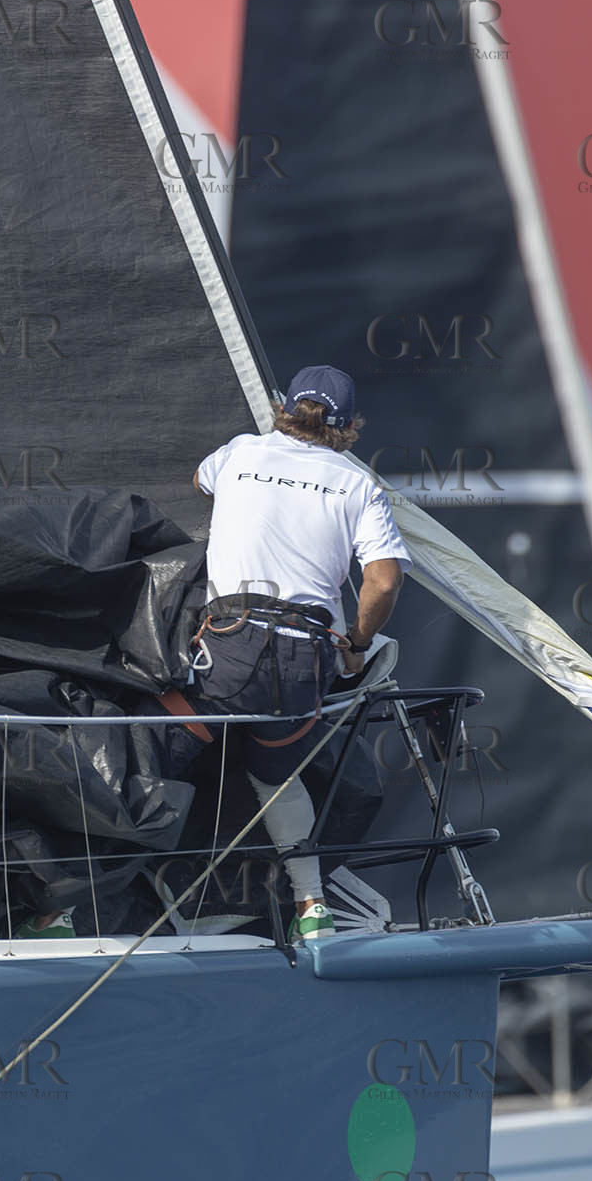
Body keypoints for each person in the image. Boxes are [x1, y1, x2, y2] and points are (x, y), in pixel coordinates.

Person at [186, 365, 411, 942]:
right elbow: (383, 583)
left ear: (284, 408)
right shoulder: (360, 485)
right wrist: (356, 647)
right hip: (303, 663)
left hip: (227, 648)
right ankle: (311, 907)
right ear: (350, 426)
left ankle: (61, 907)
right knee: (276, 780)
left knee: (154, 746)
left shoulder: (239, 452)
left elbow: (200, 482)